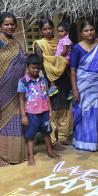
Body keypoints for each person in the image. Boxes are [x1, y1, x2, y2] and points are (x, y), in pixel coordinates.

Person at [0, 12, 27, 167]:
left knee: (15, 122)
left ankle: (15, 154)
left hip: (15, 91)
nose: (10, 27)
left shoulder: (16, 42)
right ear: (0, 25)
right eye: (6, 24)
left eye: (12, 24)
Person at [70, 21, 98, 151]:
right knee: (84, 111)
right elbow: (73, 70)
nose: (90, 33)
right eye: (86, 30)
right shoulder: (77, 48)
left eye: (92, 29)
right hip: (83, 85)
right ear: (81, 33)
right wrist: (75, 90)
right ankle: (83, 142)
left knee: (97, 111)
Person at [33, 19, 71, 150]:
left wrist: (60, 67)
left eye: (50, 28)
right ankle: (53, 141)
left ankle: (64, 137)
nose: (48, 31)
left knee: (64, 108)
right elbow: (41, 63)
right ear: (40, 31)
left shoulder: (60, 41)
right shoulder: (39, 44)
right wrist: (54, 70)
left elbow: (66, 57)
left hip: (63, 77)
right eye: (45, 29)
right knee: (52, 110)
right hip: (50, 79)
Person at [18, 54, 60, 166]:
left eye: (38, 68)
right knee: (31, 135)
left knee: (47, 133)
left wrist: (50, 111)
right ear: (27, 67)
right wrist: (23, 116)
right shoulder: (23, 82)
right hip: (31, 113)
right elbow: (21, 100)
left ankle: (50, 151)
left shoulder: (43, 80)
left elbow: (47, 97)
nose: (36, 70)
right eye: (33, 67)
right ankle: (31, 156)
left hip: (45, 112)